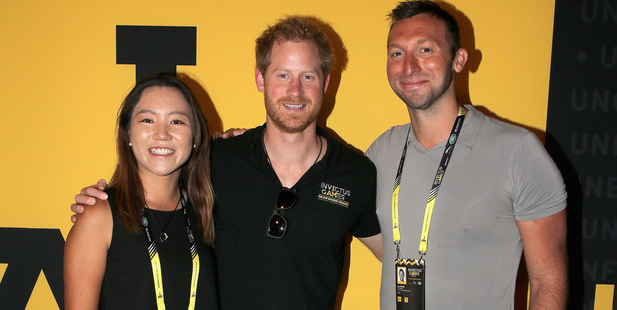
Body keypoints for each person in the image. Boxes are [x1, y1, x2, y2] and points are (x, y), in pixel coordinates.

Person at [70, 16, 382, 309]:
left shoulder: (356, 174)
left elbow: (397, 253)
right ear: (261, 78)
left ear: (325, 83)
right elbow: (151, 188)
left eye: (308, 76)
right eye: (283, 75)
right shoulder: (218, 160)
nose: (295, 90)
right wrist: (98, 208)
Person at [366, 1, 568, 309]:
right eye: (397, 53)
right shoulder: (382, 151)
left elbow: (548, 282)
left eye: (426, 50)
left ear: (458, 60)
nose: (408, 66)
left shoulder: (517, 152)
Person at [64, 73, 218, 309]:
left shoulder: (207, 211)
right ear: (128, 135)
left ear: (195, 137)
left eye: (177, 121)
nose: (162, 134)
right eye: (147, 120)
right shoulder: (99, 216)